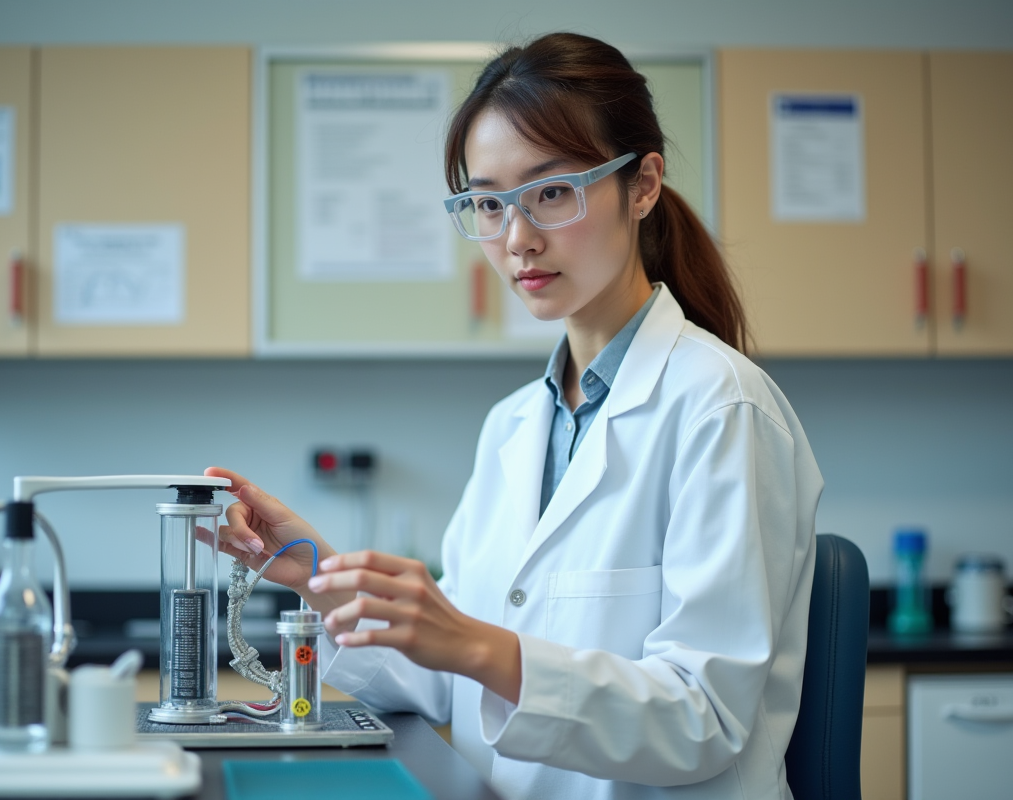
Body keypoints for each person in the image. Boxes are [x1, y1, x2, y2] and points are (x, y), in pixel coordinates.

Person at [206, 32, 822, 800]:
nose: (517, 239)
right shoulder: (514, 426)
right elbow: (451, 681)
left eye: (552, 191)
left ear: (643, 185)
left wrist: (474, 642)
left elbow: (704, 719)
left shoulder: (722, 410)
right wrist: (321, 578)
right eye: (489, 203)